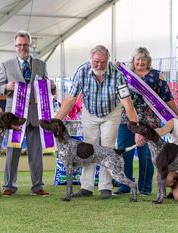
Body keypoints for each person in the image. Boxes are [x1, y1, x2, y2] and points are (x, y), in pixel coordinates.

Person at [55, 45, 138, 199]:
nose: (99, 65)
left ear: (108, 60)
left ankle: (105, 188)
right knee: (87, 147)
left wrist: (136, 128)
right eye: (96, 62)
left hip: (111, 112)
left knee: (107, 148)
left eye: (103, 62)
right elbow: (70, 99)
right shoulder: (81, 72)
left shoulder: (118, 75)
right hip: (90, 113)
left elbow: (127, 103)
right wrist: (56, 120)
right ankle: (86, 187)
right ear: (90, 59)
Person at [0, 30, 55, 197]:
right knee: (12, 152)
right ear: (15, 47)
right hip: (14, 115)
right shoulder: (6, 65)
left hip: (36, 115)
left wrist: (52, 86)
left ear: (30, 45)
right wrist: (7, 87)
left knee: (36, 153)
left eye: (25, 44)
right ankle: (9, 186)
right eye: (19, 45)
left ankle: (37, 186)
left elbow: (47, 87)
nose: (23, 47)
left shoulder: (41, 64)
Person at [115, 47, 178, 196]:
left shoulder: (157, 76)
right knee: (125, 153)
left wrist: (177, 114)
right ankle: (125, 186)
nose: (140, 62)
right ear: (133, 61)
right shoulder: (125, 75)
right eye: (137, 59)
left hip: (150, 122)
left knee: (147, 155)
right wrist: (118, 66)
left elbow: (167, 97)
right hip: (127, 120)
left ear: (148, 61)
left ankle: (145, 188)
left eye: (143, 59)